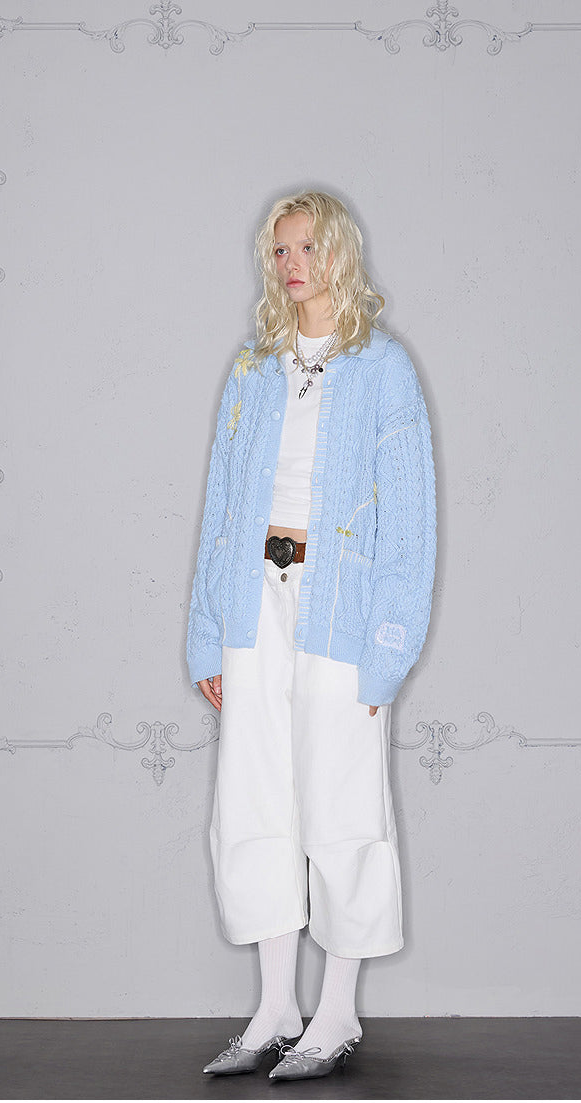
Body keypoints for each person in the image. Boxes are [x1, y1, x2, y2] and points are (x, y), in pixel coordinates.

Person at [186, 190, 437, 1081]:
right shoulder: (254, 367)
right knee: (253, 801)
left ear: (339, 254)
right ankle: (273, 1008)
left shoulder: (383, 369)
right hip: (252, 601)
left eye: (307, 246)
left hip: (340, 609)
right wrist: (207, 631)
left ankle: (335, 1014)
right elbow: (222, 505)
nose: (293, 264)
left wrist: (389, 647)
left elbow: (409, 523)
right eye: (281, 250)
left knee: (341, 801)